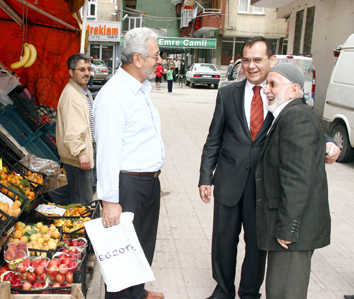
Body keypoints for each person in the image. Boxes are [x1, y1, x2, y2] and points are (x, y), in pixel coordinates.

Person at [198, 36, 340, 299]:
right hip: (229, 181)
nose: (251, 66)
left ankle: (250, 292)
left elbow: (306, 123)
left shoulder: (281, 90)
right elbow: (213, 139)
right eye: (246, 60)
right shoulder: (228, 93)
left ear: (272, 60)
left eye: (257, 60)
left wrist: (330, 143)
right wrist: (205, 176)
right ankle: (223, 290)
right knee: (223, 241)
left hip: (264, 187)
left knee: (258, 244)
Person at [93, 27, 165, 299]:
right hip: (128, 186)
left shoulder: (139, 90)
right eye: (155, 55)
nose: (158, 60)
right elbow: (108, 152)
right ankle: (126, 294)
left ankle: (138, 292)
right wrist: (109, 200)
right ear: (137, 59)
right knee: (122, 257)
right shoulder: (114, 95)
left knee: (142, 246)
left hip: (147, 183)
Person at [256, 63, 331, 298]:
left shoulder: (296, 118)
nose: (266, 89)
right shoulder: (286, 115)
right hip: (291, 227)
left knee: (284, 291)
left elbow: (298, 179)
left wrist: (288, 228)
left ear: (293, 89)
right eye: (266, 84)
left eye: (273, 84)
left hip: (292, 232)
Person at [47, 53, 94, 206]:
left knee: (81, 188)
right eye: (81, 69)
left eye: (88, 69)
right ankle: (81, 225)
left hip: (83, 152)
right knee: (83, 199)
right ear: (71, 72)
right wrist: (81, 153)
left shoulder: (82, 92)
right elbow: (73, 129)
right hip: (77, 156)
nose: (86, 73)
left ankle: (48, 198)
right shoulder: (72, 96)